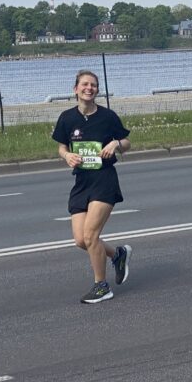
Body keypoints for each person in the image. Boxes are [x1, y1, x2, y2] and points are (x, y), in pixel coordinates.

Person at [53, 69, 132, 304]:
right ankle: (117, 254)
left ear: (97, 90)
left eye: (93, 85)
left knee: (91, 235)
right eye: (85, 84)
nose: (89, 88)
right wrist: (67, 156)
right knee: (81, 240)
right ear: (75, 89)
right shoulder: (67, 118)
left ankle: (102, 286)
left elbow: (127, 142)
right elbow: (61, 147)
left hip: (104, 180)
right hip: (81, 182)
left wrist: (116, 144)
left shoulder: (107, 116)